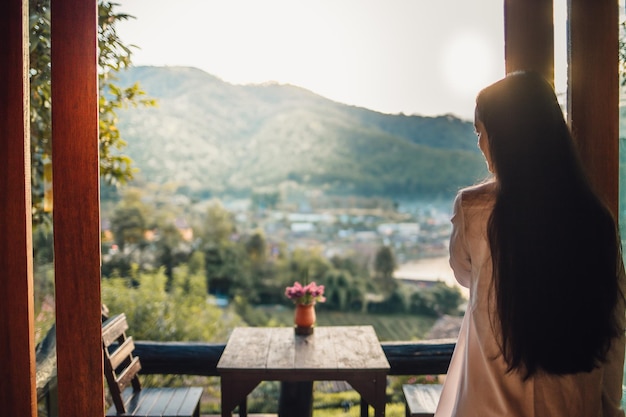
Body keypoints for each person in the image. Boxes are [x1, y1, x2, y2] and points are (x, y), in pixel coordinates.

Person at [435, 71, 626, 417]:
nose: (480, 144)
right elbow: (615, 328)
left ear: (505, 137)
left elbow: (464, 274)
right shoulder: (596, 219)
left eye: (482, 132)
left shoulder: (474, 211)